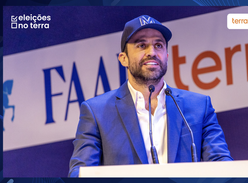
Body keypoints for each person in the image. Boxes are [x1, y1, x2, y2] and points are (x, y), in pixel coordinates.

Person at [68, 15, 233, 177]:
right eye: (141, 45)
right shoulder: (96, 112)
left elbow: (222, 163)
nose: (151, 52)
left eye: (159, 45)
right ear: (123, 59)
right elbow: (80, 172)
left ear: (167, 56)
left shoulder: (199, 106)